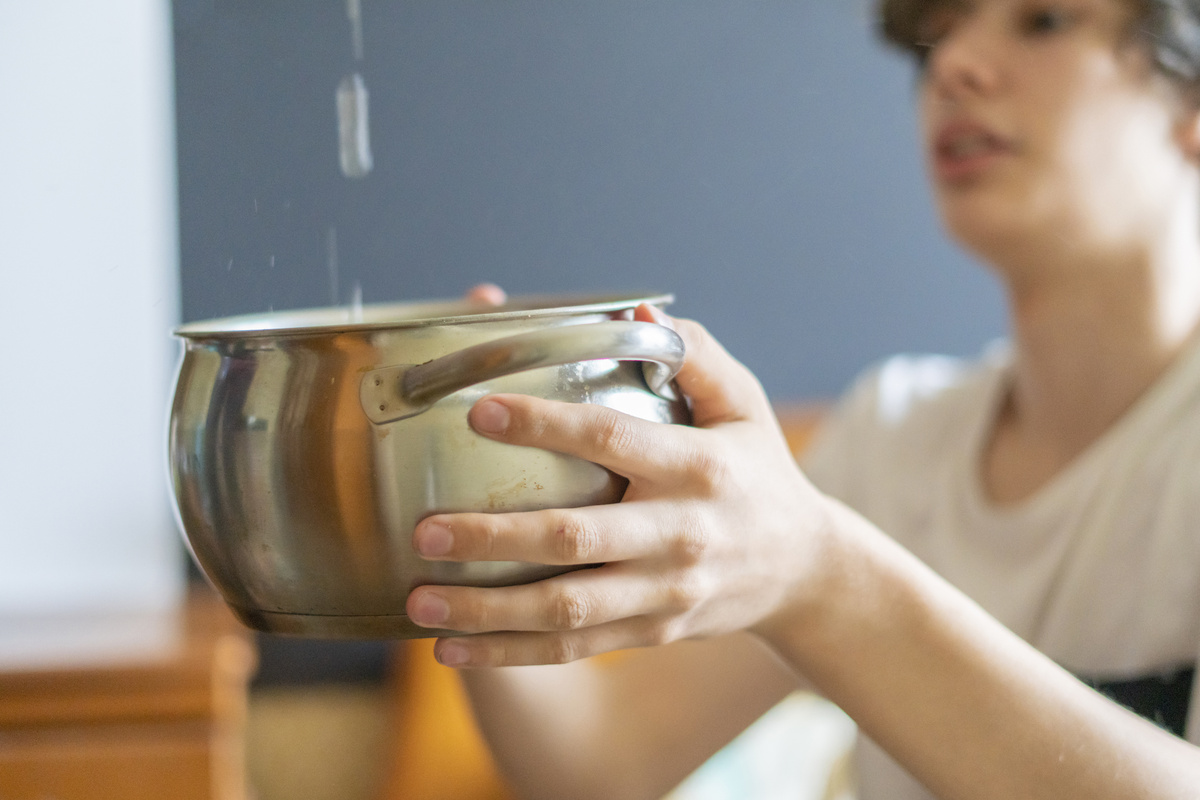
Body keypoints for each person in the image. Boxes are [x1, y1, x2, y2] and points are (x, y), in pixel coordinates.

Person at [403, 1, 1200, 797]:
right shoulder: (894, 437)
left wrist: (823, 580)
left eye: (1045, 21)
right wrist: (461, 517)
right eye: (940, 36)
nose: (953, 65)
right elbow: (601, 759)